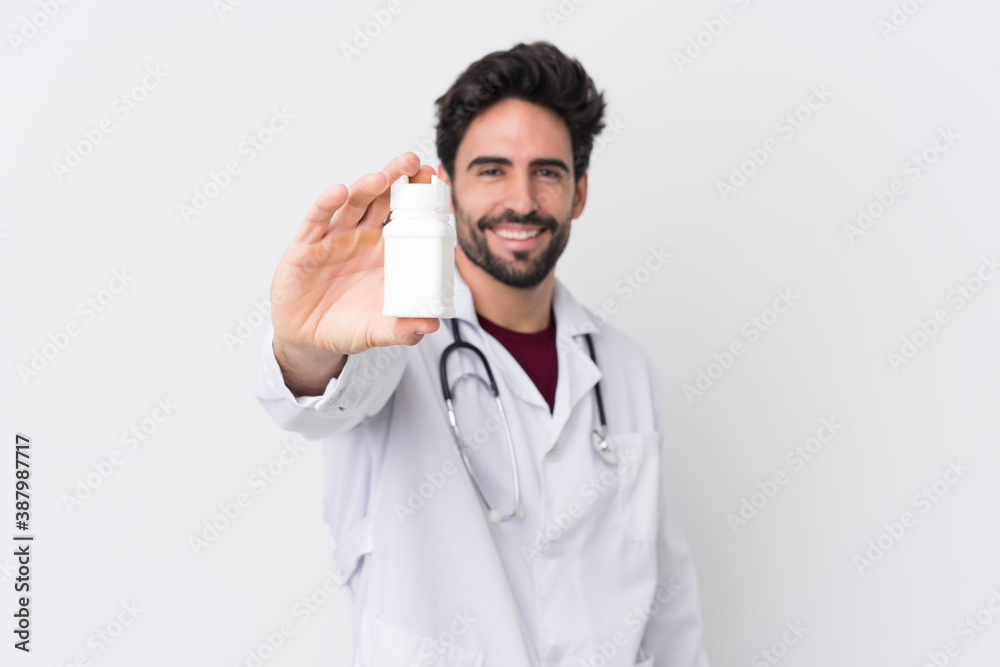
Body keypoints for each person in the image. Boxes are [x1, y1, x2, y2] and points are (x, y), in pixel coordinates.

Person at [254, 41, 710, 666]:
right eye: (492, 170)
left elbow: (669, 608)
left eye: (547, 171)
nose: (521, 200)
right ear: (448, 188)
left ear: (578, 193)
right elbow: (313, 399)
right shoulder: (394, 345)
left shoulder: (624, 370)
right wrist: (304, 343)